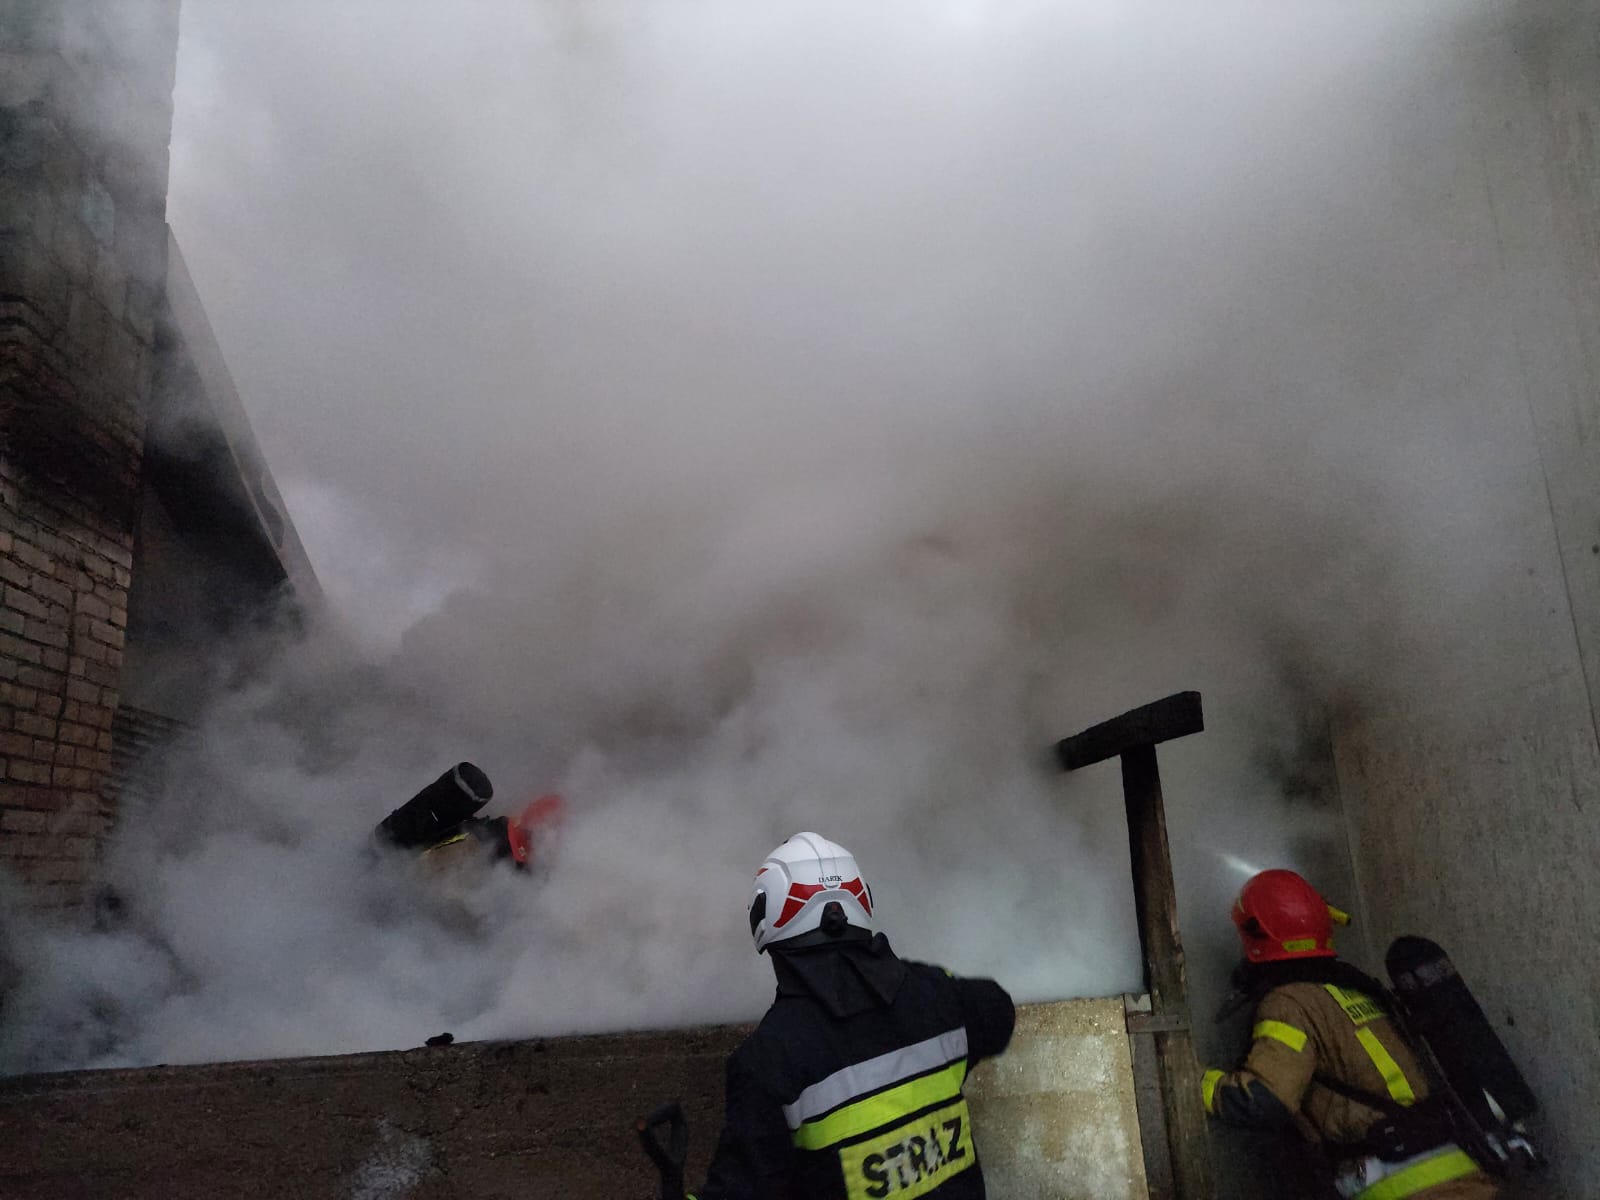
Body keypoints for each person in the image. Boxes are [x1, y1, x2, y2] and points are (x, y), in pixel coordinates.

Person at [687, 832, 1015, 1200]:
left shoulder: (769, 1061)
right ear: (862, 901)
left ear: (765, 918)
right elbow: (998, 1012)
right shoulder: (939, 994)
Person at [1202, 869, 1498, 1199]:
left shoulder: (1289, 1003)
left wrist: (1195, 1083)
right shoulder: (1357, 990)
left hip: (1403, 1186)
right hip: (1463, 1172)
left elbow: (1265, 1100)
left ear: (1257, 936)